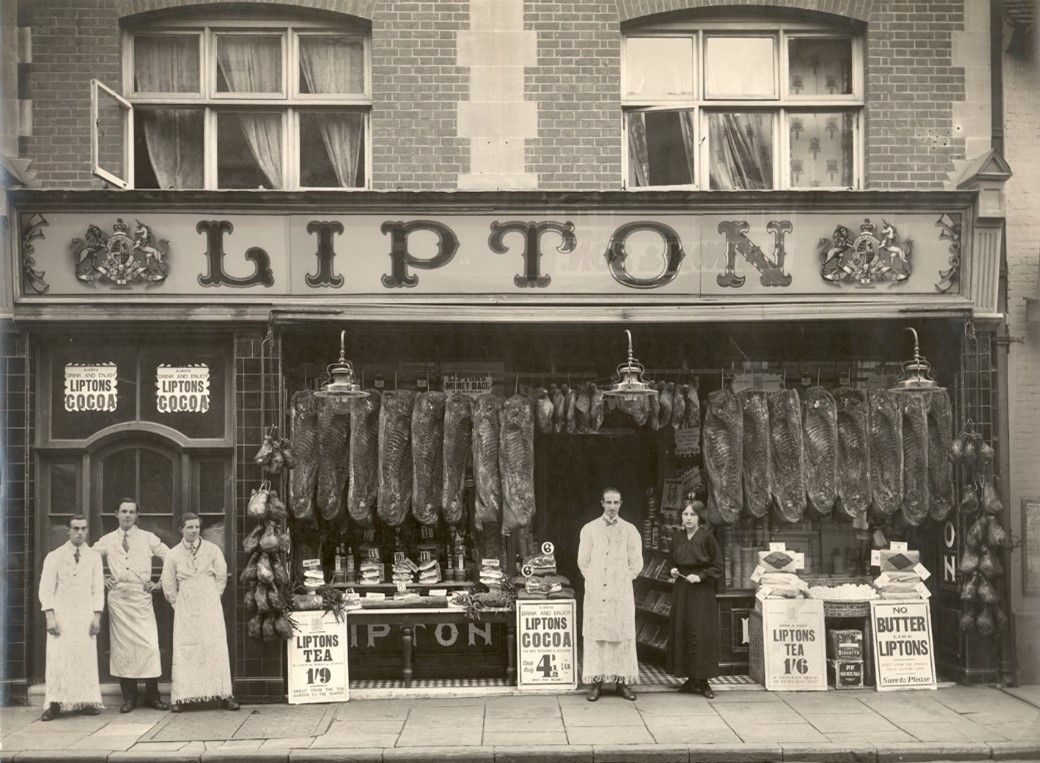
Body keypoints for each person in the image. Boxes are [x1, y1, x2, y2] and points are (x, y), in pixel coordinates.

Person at [93, 498, 170, 713]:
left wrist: (159, 583)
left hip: (141, 597)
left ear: (137, 515)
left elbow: (171, 557)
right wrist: (101, 577)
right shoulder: (108, 540)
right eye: (123, 511)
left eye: (131, 512)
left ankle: (153, 696)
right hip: (118, 599)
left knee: (149, 646)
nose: (127, 515)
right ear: (116, 514)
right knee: (123, 649)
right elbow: (88, 558)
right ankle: (129, 698)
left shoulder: (148, 538)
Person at [161, 512, 238, 712]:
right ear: (181, 529)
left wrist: (213, 596)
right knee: (186, 649)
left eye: (196, 527)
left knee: (215, 647)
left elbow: (221, 576)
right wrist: (179, 604)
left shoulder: (212, 550)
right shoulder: (173, 554)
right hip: (186, 606)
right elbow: (168, 585)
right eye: (189, 527)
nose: (194, 531)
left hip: (209, 604)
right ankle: (182, 697)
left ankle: (224, 694)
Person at [577, 487, 643, 702]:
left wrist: (623, 580)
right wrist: (594, 580)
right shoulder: (589, 529)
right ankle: (596, 683)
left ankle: (622, 683)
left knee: (621, 636)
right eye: (609, 502)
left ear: (621, 504)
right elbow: (583, 561)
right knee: (596, 636)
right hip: (597, 592)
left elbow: (636, 563)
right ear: (602, 503)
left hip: (620, 593)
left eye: (616, 502)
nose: (612, 506)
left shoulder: (630, 530)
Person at [38, 515, 104, 720]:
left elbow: (98, 589)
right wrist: (50, 616)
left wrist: (97, 616)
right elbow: (46, 589)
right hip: (62, 614)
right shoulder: (54, 556)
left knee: (84, 657)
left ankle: (86, 701)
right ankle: (55, 703)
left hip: (85, 614)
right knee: (59, 658)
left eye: (83, 528)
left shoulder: (94, 557)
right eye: (76, 528)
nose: (80, 533)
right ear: (68, 530)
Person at [667, 499, 722, 698]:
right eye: (685, 514)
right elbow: (671, 562)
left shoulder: (707, 537)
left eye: (692, 515)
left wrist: (700, 576)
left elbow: (717, 566)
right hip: (682, 590)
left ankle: (704, 680)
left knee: (701, 632)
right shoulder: (677, 538)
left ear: (700, 517)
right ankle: (691, 678)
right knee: (684, 630)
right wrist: (672, 571)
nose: (688, 518)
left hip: (702, 591)